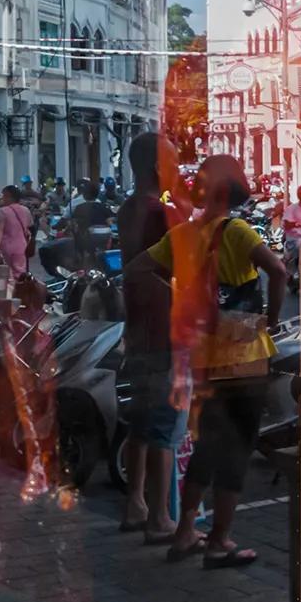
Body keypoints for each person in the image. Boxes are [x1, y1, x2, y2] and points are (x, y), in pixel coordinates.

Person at [133, 156, 286, 569]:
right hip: (244, 359)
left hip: (204, 357)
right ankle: (219, 541)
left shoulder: (182, 234)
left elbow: (138, 268)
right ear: (231, 190)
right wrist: (270, 319)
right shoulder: (236, 231)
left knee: (206, 444)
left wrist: (182, 300)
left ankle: (185, 531)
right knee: (235, 450)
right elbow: (279, 269)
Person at [116, 132, 184, 540]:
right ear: (159, 168)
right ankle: (160, 516)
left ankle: (135, 503)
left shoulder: (127, 209)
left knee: (140, 420)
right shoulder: (162, 214)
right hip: (163, 328)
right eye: (175, 163)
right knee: (165, 424)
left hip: (137, 327)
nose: (178, 170)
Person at [69, 178, 115, 271]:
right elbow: (110, 222)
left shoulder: (79, 207)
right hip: (105, 236)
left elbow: (73, 224)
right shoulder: (103, 206)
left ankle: (81, 267)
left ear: (85, 195)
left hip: (88, 237)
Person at [0, 185, 35, 279]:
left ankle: (9, 292)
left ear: (9, 197)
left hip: (6, 247)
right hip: (22, 246)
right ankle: (21, 290)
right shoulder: (26, 210)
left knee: (6, 274)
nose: (2, 199)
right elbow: (29, 226)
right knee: (20, 273)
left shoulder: (3, 211)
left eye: (4, 196)